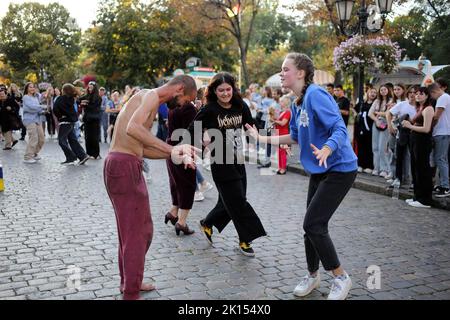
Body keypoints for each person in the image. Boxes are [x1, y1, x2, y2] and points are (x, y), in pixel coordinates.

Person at [247, 53, 358, 300]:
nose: (281, 73)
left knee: (313, 224)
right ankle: (312, 274)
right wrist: (262, 138)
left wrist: (328, 147)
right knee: (311, 226)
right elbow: (295, 137)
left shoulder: (316, 94)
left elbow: (339, 127)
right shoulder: (297, 102)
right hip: (320, 170)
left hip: (340, 169)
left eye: (285, 69)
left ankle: (341, 277)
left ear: (300, 73)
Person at [104, 75, 198, 300]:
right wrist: (172, 149)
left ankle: (129, 283)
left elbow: (142, 148)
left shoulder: (150, 100)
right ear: (180, 89)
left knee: (134, 232)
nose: (185, 106)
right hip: (123, 167)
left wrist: (177, 153)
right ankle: (130, 292)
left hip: (125, 164)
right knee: (138, 234)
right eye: (188, 100)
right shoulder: (150, 96)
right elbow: (133, 129)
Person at [190, 72, 267, 258]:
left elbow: (252, 126)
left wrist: (276, 139)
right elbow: (192, 129)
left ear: (233, 89)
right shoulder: (209, 110)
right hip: (221, 161)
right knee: (238, 201)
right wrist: (201, 140)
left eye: (228, 89)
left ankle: (208, 223)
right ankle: (245, 240)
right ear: (214, 92)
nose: (225, 93)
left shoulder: (240, 106)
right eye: (221, 90)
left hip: (238, 159)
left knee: (231, 200)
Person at [164, 101, 198, 236]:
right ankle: (182, 223)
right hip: (183, 150)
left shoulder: (173, 106)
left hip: (171, 147)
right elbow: (192, 132)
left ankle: (173, 213)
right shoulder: (188, 107)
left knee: (176, 183)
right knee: (187, 185)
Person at [402, 87, 435, 208]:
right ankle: (417, 196)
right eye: (416, 94)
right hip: (415, 140)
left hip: (423, 141)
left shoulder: (428, 108)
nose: (418, 96)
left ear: (427, 96)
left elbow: (426, 129)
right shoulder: (419, 108)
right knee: (415, 168)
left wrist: (410, 126)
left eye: (421, 94)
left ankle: (425, 199)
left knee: (423, 169)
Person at [385, 86, 417, 188]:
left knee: (414, 157)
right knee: (399, 156)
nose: (412, 94)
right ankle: (398, 178)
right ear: (407, 94)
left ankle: (414, 181)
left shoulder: (422, 106)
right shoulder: (402, 104)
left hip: (415, 134)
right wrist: (390, 126)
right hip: (402, 133)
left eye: (415, 92)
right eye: (410, 92)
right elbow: (388, 114)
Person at [53, 84, 90, 166]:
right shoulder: (72, 98)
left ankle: (71, 157)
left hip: (65, 122)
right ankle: (83, 156)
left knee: (61, 140)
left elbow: (55, 108)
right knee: (73, 140)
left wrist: (60, 116)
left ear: (64, 90)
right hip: (72, 122)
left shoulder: (60, 99)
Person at [429, 83, 450, 197]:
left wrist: (429, 126)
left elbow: (436, 116)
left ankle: (445, 187)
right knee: (441, 159)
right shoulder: (446, 97)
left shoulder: (442, 98)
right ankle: (442, 184)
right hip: (443, 132)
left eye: (431, 95)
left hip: (442, 132)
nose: (432, 98)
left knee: (441, 159)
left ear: (434, 92)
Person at [369, 85, 393, 178]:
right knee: (375, 147)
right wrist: (376, 120)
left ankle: (385, 169)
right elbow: (370, 113)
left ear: (388, 90)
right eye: (381, 89)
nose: (383, 91)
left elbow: (388, 113)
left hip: (386, 125)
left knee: (382, 147)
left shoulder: (391, 100)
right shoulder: (377, 101)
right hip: (376, 124)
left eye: (385, 89)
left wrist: (378, 113)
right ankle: (376, 168)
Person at [22, 83, 47, 164]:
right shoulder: (26, 97)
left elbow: (36, 109)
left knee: (42, 139)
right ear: (27, 88)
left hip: (37, 120)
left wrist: (43, 111)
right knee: (33, 138)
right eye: (30, 87)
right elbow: (30, 107)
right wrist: (42, 107)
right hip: (29, 120)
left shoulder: (35, 97)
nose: (32, 88)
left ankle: (34, 153)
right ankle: (27, 157)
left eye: (33, 87)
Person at [355, 88, 376, 174]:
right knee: (361, 147)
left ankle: (369, 166)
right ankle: (360, 164)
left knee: (369, 147)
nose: (373, 94)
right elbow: (355, 110)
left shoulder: (376, 104)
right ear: (367, 93)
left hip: (371, 128)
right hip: (361, 128)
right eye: (371, 92)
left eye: (375, 92)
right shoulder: (362, 103)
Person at [80, 81, 102, 159]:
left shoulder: (98, 98)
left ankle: (96, 154)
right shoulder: (86, 96)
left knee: (95, 137)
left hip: (95, 120)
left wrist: (86, 105)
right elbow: (78, 101)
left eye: (91, 88)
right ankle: (89, 153)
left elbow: (95, 108)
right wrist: (82, 103)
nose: (89, 89)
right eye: (89, 87)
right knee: (87, 137)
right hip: (87, 119)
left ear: (94, 88)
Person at [270, 95, 291, 175]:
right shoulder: (282, 112)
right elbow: (278, 122)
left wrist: (275, 121)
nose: (280, 103)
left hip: (284, 133)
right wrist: (273, 120)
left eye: (282, 101)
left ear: (286, 102)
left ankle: (283, 168)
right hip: (279, 133)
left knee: (282, 151)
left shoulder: (288, 112)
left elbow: (283, 123)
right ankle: (280, 167)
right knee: (279, 151)